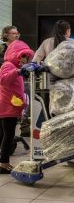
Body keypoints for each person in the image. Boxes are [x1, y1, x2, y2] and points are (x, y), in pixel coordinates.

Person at [0, 40, 34, 174]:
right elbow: (3, 80)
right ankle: (4, 164)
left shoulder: (14, 67)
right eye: (23, 56)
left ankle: (3, 162)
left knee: (5, 135)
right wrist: (18, 71)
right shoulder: (8, 65)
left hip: (11, 106)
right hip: (7, 107)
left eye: (26, 57)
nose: (25, 59)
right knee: (8, 136)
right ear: (16, 54)